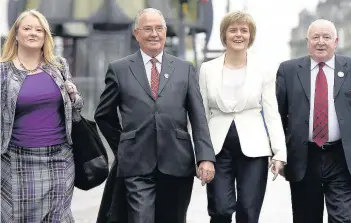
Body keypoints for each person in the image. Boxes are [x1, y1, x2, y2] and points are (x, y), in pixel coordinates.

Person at [94, 8, 216, 223]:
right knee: (141, 218)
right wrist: (123, 144)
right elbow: (103, 114)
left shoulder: (184, 69)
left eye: (159, 28)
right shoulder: (119, 69)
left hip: (177, 161)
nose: (154, 34)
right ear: (136, 33)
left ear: (166, 32)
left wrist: (205, 156)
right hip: (136, 163)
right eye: (148, 28)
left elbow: (198, 117)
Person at [276, 19, 351, 223]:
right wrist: (278, 153)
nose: (321, 42)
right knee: (306, 218)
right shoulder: (288, 71)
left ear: (336, 41)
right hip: (304, 157)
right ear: (307, 42)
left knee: (341, 218)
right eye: (315, 37)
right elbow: (278, 116)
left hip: (342, 156)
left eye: (326, 37)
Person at [199, 11, 286, 223]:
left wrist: (279, 152)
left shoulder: (263, 68)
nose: (239, 35)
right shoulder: (207, 69)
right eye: (233, 30)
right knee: (220, 209)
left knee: (248, 211)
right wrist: (201, 155)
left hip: (254, 149)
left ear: (251, 36)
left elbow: (272, 112)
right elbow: (200, 114)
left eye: (244, 30)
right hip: (217, 149)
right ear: (224, 35)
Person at [0, 9, 83, 222]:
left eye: (39, 30)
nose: (33, 33)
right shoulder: (3, 72)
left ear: (45, 36)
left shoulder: (59, 66)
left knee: (59, 217)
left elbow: (76, 110)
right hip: (17, 160)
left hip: (60, 158)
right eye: (27, 28)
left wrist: (74, 95)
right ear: (16, 35)